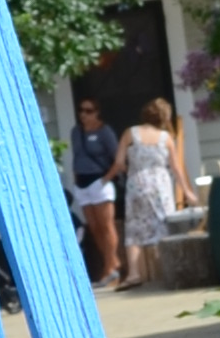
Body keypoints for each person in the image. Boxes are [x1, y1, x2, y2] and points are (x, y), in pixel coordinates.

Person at [117, 96, 188, 285]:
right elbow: (176, 168)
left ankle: (134, 274)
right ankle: (166, 271)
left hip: (137, 183)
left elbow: (119, 162)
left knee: (134, 228)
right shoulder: (166, 138)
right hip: (160, 186)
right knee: (163, 225)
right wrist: (187, 191)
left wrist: (132, 170)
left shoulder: (130, 133)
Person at [68, 92, 124, 289]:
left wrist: (105, 179)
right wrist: (75, 178)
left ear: (97, 112)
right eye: (81, 111)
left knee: (106, 225)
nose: (84, 114)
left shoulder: (104, 132)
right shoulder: (76, 132)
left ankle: (110, 267)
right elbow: (77, 156)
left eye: (88, 111)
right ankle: (112, 263)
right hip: (82, 183)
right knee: (94, 227)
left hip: (99, 181)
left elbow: (118, 159)